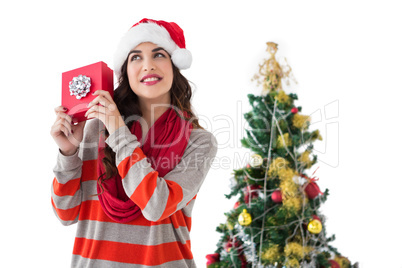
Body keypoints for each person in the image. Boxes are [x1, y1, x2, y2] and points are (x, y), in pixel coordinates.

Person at [50, 18, 218, 267]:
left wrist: (118, 131)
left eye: (159, 55)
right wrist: (68, 152)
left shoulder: (199, 141)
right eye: (136, 57)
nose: (148, 66)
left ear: (174, 67)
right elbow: (66, 213)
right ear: (125, 71)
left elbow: (156, 206)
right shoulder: (97, 126)